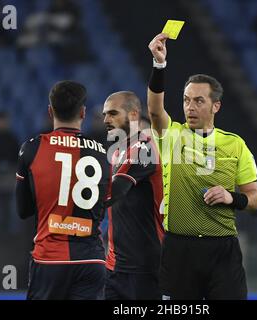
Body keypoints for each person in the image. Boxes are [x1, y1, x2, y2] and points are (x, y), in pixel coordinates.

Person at [147, 33, 257, 300]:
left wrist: (231, 197)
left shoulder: (235, 145)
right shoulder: (172, 136)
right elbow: (154, 110)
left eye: (199, 101)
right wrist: (159, 65)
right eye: (187, 100)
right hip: (179, 249)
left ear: (216, 106)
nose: (190, 107)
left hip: (222, 250)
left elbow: (255, 199)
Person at [15, 80, 111, 300]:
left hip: (49, 259)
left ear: (50, 111)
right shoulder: (102, 153)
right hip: (92, 260)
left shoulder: (32, 148)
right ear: (83, 113)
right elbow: (106, 202)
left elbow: (23, 210)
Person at [102, 91, 164, 300]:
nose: (106, 120)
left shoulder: (144, 148)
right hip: (116, 265)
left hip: (143, 268)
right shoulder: (120, 150)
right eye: (104, 115)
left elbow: (114, 193)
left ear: (134, 115)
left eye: (113, 114)